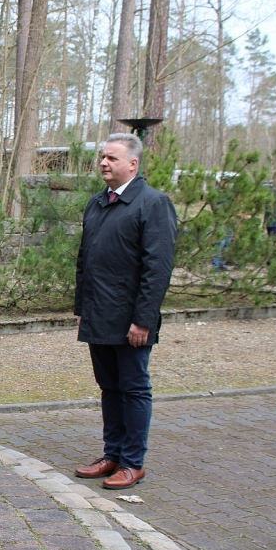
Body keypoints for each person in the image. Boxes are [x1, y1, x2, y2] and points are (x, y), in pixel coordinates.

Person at [74, 132, 177, 490]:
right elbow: (85, 260)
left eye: (112, 158)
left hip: (131, 319)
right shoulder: (97, 203)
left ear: (133, 164)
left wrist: (144, 320)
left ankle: (133, 462)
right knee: (109, 387)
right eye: (103, 157)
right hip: (98, 314)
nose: (104, 162)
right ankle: (112, 454)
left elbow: (158, 268)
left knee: (134, 388)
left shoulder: (153, 203)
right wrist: (81, 307)